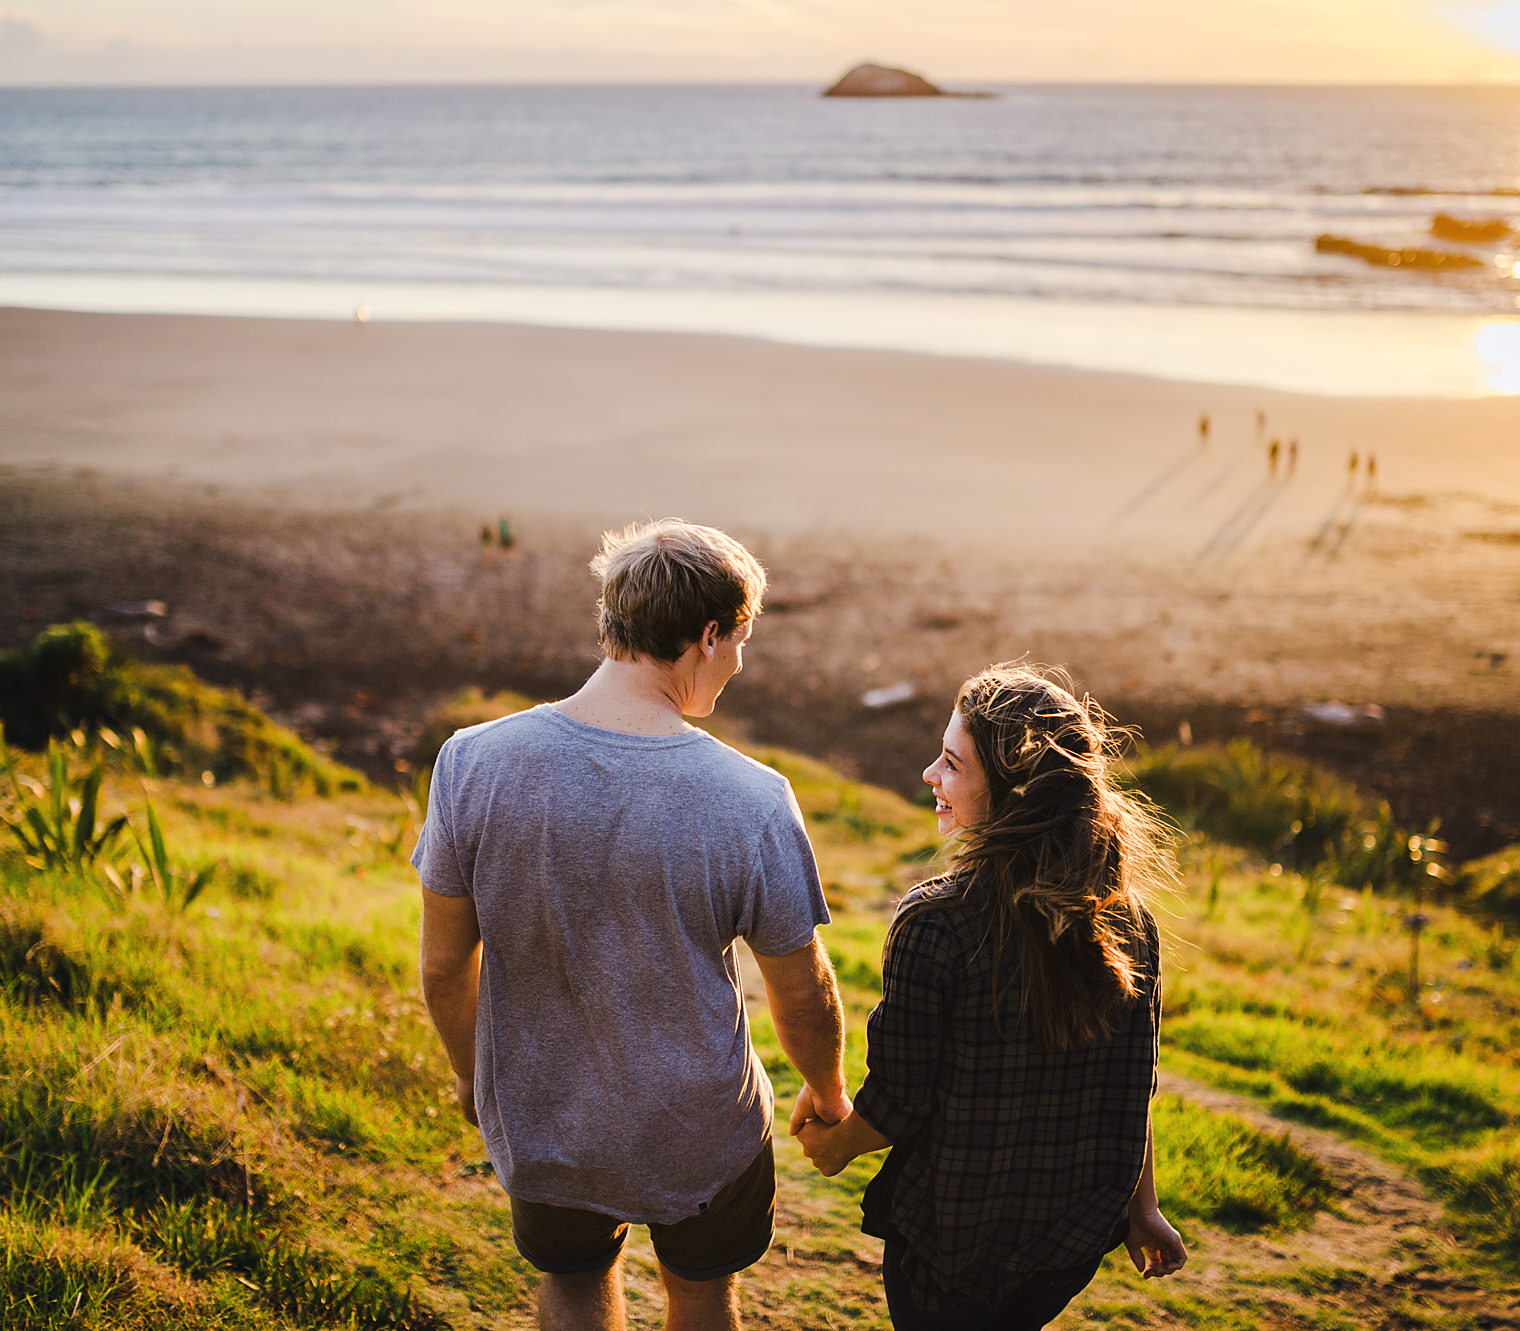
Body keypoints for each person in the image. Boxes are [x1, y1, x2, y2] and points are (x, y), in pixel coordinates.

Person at [415, 519, 849, 1331]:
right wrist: (827, 1093)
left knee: (575, 1283)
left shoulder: (471, 761)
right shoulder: (751, 797)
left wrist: (477, 1081)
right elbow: (802, 991)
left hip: (544, 1118)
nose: (740, 663)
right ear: (708, 633)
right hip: (703, 1132)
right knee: (702, 1295)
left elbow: (442, 967)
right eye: (740, 640)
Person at [794, 666, 1186, 1329]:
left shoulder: (936, 922)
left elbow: (898, 1102)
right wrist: (1139, 1207)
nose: (929, 775)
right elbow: (1132, 1084)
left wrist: (834, 1147)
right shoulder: (1127, 919)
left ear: (1012, 795)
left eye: (951, 763)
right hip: (1066, 1243)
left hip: (953, 1246)